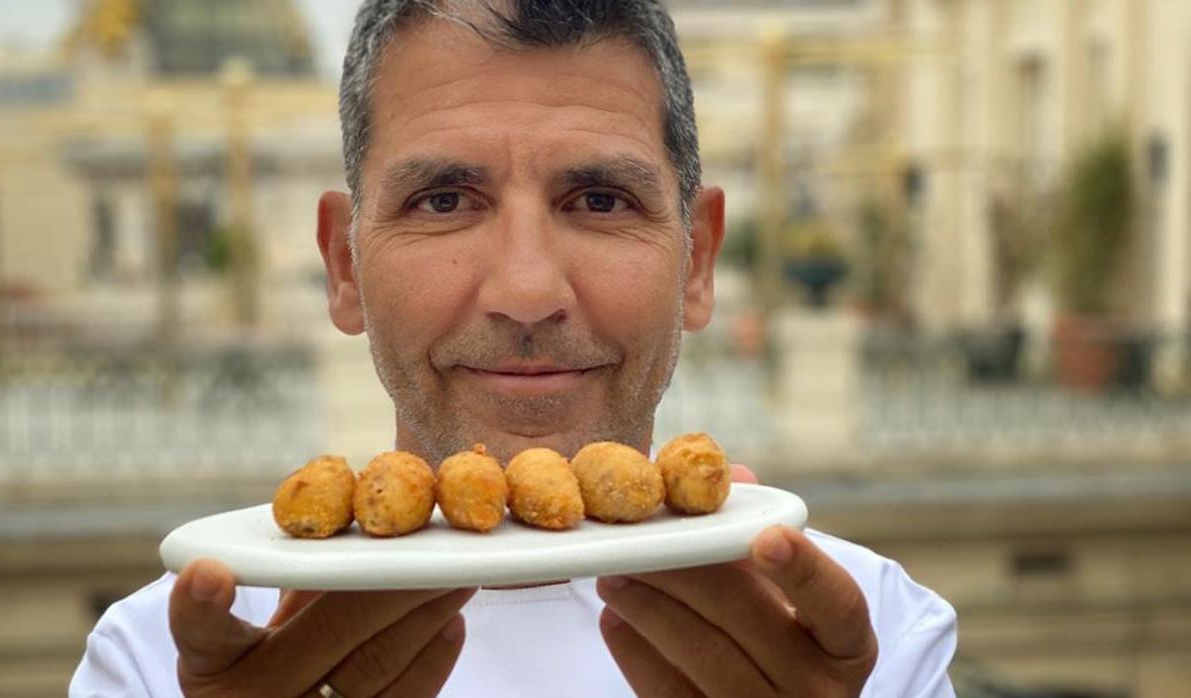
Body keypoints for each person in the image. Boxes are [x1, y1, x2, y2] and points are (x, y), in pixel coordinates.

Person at [71, 1, 957, 696]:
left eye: (601, 200)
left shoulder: (867, 642)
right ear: (344, 265)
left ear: (699, 261)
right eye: (446, 200)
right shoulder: (170, 664)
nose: (527, 292)